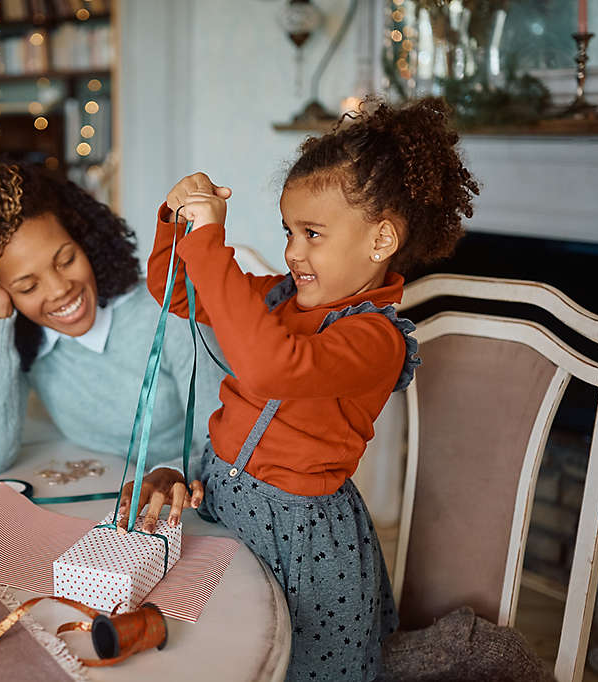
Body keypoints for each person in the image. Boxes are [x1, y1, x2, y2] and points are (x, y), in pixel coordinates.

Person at [118, 97, 479, 681]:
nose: (292, 251)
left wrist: (214, 247)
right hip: (226, 499)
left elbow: (270, 368)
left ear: (381, 240)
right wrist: (176, 217)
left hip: (306, 544)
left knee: (308, 671)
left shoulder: (376, 340)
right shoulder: (280, 298)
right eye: (289, 230)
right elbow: (175, 291)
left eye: (312, 233)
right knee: (225, 649)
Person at [0, 156, 225, 490]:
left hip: (196, 504)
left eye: (66, 259)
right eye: (28, 286)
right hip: (97, 497)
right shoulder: (26, 339)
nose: (60, 290)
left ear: (83, 240)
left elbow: (230, 442)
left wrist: (172, 473)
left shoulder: (169, 313)